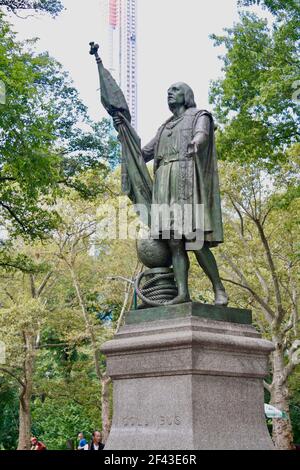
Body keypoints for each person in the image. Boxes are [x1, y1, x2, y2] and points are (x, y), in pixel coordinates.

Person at [113, 82, 229, 306]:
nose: (169, 94)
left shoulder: (199, 115)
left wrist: (196, 143)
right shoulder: (165, 127)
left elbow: (202, 134)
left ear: (186, 95)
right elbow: (142, 154)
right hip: (164, 184)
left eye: (174, 90)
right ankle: (183, 293)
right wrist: (124, 133)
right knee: (175, 242)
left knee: (196, 241)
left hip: (186, 180)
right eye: (167, 92)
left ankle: (219, 289)